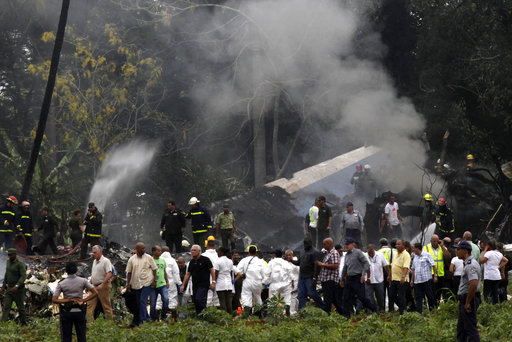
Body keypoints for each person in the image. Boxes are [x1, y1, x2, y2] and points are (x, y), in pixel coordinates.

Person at [52, 261, 98, 342]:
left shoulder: (62, 283)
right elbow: (95, 292)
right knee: (81, 336)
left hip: (67, 312)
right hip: (80, 311)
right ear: (76, 270)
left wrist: (68, 300)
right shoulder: (83, 281)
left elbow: (54, 299)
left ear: (66, 271)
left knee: (66, 337)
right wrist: (83, 300)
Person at [341, 237, 376, 317]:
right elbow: (345, 267)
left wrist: (363, 274)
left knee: (361, 297)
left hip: (357, 278)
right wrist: (342, 279)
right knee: (346, 297)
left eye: (348, 245)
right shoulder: (346, 255)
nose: (346, 246)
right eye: (345, 245)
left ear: (352, 244)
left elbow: (366, 263)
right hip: (349, 278)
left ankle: (374, 309)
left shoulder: (358, 252)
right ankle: (346, 315)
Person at [126, 242, 158, 324]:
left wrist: (155, 281)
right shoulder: (132, 259)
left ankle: (143, 321)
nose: (144, 250)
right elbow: (129, 272)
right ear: (137, 249)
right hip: (136, 284)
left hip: (146, 283)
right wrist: (128, 284)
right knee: (138, 303)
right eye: (142, 248)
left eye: (144, 248)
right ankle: (146, 318)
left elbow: (154, 269)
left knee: (142, 301)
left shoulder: (148, 258)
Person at [455, 241, 481, 341]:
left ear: (465, 251)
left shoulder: (471, 265)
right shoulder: (467, 263)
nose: (456, 251)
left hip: (469, 298)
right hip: (464, 298)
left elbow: (473, 284)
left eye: (458, 249)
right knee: (461, 329)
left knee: (470, 328)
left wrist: (467, 302)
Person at [181, 244, 216, 314]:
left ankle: (204, 313)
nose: (192, 252)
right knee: (196, 301)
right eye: (191, 250)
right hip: (195, 285)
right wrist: (183, 285)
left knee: (199, 298)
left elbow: (212, 271)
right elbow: (188, 274)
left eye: (194, 250)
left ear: (199, 251)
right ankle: (200, 315)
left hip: (204, 284)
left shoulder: (205, 260)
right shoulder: (191, 262)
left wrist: (213, 282)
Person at [294, 237, 324, 310]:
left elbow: (317, 266)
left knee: (312, 293)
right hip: (302, 277)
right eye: (305, 243)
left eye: (307, 243)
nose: (306, 245)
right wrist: (290, 260)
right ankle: (302, 312)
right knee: (301, 294)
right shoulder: (302, 251)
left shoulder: (315, 252)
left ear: (311, 243)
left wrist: (315, 278)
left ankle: (323, 307)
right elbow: (299, 262)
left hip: (310, 277)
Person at [234, 245, 266, 314]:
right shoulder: (260, 261)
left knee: (246, 297)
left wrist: (242, 275)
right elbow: (264, 274)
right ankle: (258, 315)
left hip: (247, 281)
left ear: (248, 252)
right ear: (256, 252)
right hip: (257, 282)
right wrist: (263, 283)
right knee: (257, 298)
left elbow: (238, 270)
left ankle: (246, 314)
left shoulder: (244, 260)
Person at [316, 238, 342, 314]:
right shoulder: (327, 253)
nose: (323, 246)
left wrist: (322, 264)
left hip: (330, 280)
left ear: (329, 244)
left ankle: (327, 315)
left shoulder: (334, 253)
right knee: (334, 299)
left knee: (328, 299)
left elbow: (335, 266)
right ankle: (343, 313)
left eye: (324, 244)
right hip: (325, 279)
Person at [86, 245, 113, 322]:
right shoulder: (94, 261)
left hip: (103, 286)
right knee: (89, 304)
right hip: (94, 286)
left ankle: (109, 323)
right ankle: (89, 324)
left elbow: (109, 273)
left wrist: (102, 284)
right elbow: (94, 274)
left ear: (100, 252)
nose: (93, 254)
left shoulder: (106, 261)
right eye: (93, 252)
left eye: (95, 252)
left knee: (106, 305)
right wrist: (89, 284)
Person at [1, 248, 27, 324]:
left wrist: (17, 285)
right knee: (6, 306)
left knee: (20, 308)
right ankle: (3, 323)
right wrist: (4, 285)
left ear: (15, 254)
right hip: (9, 288)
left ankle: (24, 323)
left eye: (11, 255)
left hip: (18, 290)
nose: (9, 256)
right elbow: (7, 274)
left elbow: (23, 276)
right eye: (8, 255)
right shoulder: (8, 262)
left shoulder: (19, 263)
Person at [423, 234, 451, 303]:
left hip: (440, 273)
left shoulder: (442, 247)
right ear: (431, 241)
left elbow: (448, 257)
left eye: (437, 241)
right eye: (434, 241)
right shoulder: (426, 248)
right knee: (432, 291)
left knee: (439, 291)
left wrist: (442, 247)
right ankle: (432, 306)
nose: (435, 243)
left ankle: (437, 305)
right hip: (430, 273)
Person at [410, 242, 437, 313]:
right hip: (417, 281)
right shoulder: (415, 257)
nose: (413, 250)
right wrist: (412, 280)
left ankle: (432, 311)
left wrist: (435, 276)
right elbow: (413, 269)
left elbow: (433, 265)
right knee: (418, 297)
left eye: (414, 249)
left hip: (426, 279)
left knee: (429, 296)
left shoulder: (427, 255)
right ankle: (419, 312)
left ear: (417, 248)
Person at [264, 250, 293, 316]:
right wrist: (291, 281)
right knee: (286, 301)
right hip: (285, 284)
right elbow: (290, 274)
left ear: (275, 255)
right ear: (282, 255)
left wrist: (266, 282)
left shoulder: (271, 262)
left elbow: (267, 273)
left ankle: (272, 317)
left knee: (272, 301)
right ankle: (287, 316)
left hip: (274, 284)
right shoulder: (285, 263)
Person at [480, 239, 508, 304]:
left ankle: (488, 305)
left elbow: (481, 261)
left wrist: (485, 250)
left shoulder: (488, 253)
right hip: (497, 276)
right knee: (495, 292)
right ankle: (495, 305)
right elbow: (506, 260)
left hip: (489, 276)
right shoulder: (498, 254)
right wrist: (498, 267)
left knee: (487, 293)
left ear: (489, 246)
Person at [158, 246, 181, 321]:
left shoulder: (158, 259)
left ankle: (157, 319)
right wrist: (179, 283)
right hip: (171, 283)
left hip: (159, 283)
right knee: (172, 299)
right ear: (169, 252)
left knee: (159, 300)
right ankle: (174, 318)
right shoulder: (172, 260)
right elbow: (176, 273)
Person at [388, 239, 411, 315]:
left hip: (402, 280)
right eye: (396, 244)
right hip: (394, 279)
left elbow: (406, 267)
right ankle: (404, 307)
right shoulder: (395, 254)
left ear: (403, 246)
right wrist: (390, 275)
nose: (396, 246)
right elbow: (393, 265)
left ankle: (403, 313)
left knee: (401, 297)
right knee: (392, 295)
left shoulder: (406, 255)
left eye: (399, 244)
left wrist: (403, 277)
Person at [365, 244, 389, 313]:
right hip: (369, 281)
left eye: (371, 253)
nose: (371, 255)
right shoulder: (365, 256)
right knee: (369, 297)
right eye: (369, 253)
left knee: (380, 296)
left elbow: (386, 266)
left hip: (379, 280)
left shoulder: (380, 255)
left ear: (374, 250)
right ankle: (370, 311)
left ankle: (381, 311)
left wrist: (389, 275)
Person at [149, 245, 169, 321]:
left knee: (166, 299)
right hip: (153, 286)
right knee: (153, 303)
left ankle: (163, 316)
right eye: (159, 251)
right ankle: (153, 319)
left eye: (161, 251)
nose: (160, 252)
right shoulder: (150, 261)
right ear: (154, 252)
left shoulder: (162, 260)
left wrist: (167, 281)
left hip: (162, 284)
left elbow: (164, 271)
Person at [215, 246, 234, 314]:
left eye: (218, 252)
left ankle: (225, 316)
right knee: (228, 302)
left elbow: (216, 273)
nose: (217, 253)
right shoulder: (230, 261)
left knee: (222, 301)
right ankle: (230, 315)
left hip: (220, 284)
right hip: (228, 284)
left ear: (221, 252)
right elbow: (231, 273)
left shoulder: (218, 261)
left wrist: (214, 282)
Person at [202, 238, 220, 307]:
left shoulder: (203, 255)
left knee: (208, 299)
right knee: (217, 300)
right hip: (218, 280)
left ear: (207, 246)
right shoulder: (218, 255)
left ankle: (208, 315)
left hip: (207, 280)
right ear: (214, 246)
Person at [285, 249, 300, 315]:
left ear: (292, 255)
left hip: (296, 281)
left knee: (293, 296)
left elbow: (300, 272)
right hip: (288, 282)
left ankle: (292, 312)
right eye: (287, 255)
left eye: (289, 255)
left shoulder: (296, 261)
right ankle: (295, 309)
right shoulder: (284, 262)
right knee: (290, 297)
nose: (288, 257)